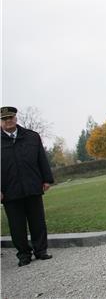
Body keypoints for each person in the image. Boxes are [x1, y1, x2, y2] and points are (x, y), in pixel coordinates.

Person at [1, 106, 54, 267]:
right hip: (9, 191)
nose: (8, 121)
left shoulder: (32, 136)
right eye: (4, 119)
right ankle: (24, 254)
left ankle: (41, 250)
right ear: (1, 122)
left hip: (32, 186)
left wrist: (46, 179)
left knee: (38, 221)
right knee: (17, 226)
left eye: (11, 118)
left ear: (16, 119)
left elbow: (41, 159)